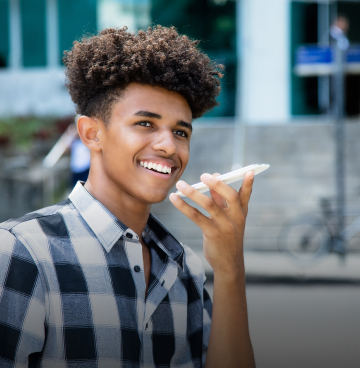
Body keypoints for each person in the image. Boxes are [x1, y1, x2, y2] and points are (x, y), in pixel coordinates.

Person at [0, 26, 256, 367]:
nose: (169, 145)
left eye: (181, 131)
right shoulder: (21, 251)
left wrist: (229, 270)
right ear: (91, 134)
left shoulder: (185, 268)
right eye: (146, 124)